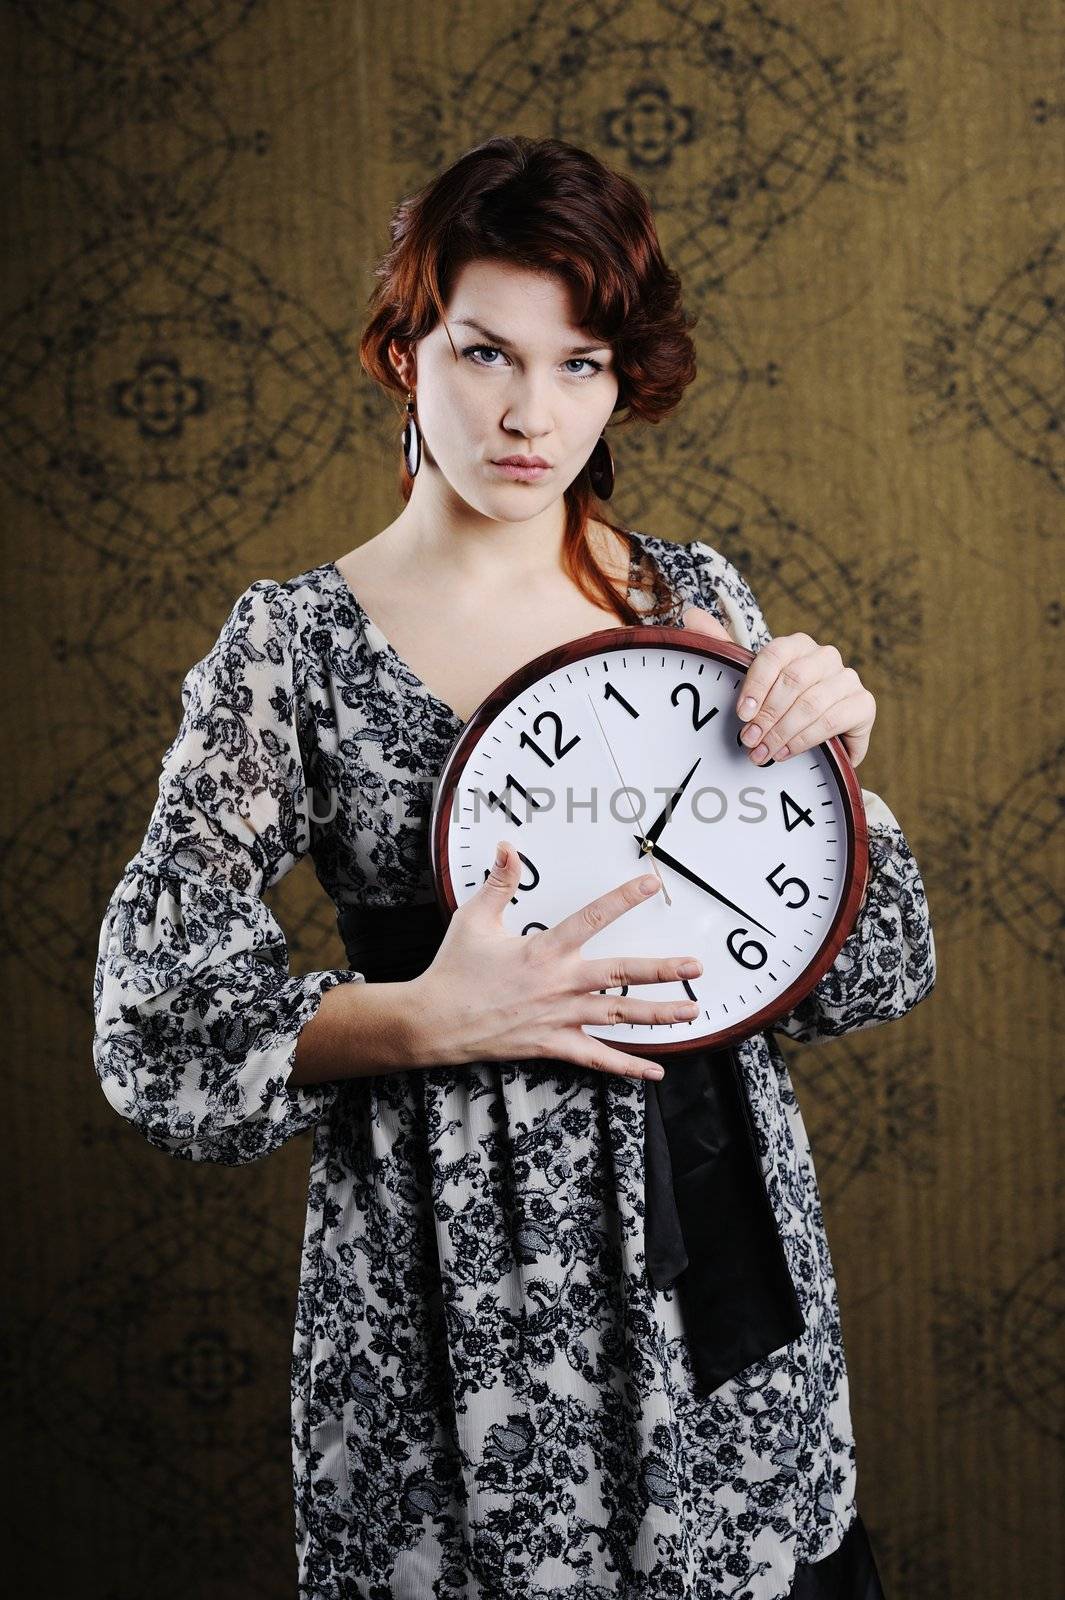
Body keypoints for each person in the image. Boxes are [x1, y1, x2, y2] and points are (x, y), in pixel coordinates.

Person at [92, 136, 936, 1599]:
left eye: (580, 364)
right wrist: (425, 1013)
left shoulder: (695, 604)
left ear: (621, 383)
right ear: (405, 347)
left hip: (709, 1240)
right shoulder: (290, 648)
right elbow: (148, 1018)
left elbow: (866, 968)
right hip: (449, 1269)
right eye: (485, 352)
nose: (527, 411)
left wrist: (843, 777)